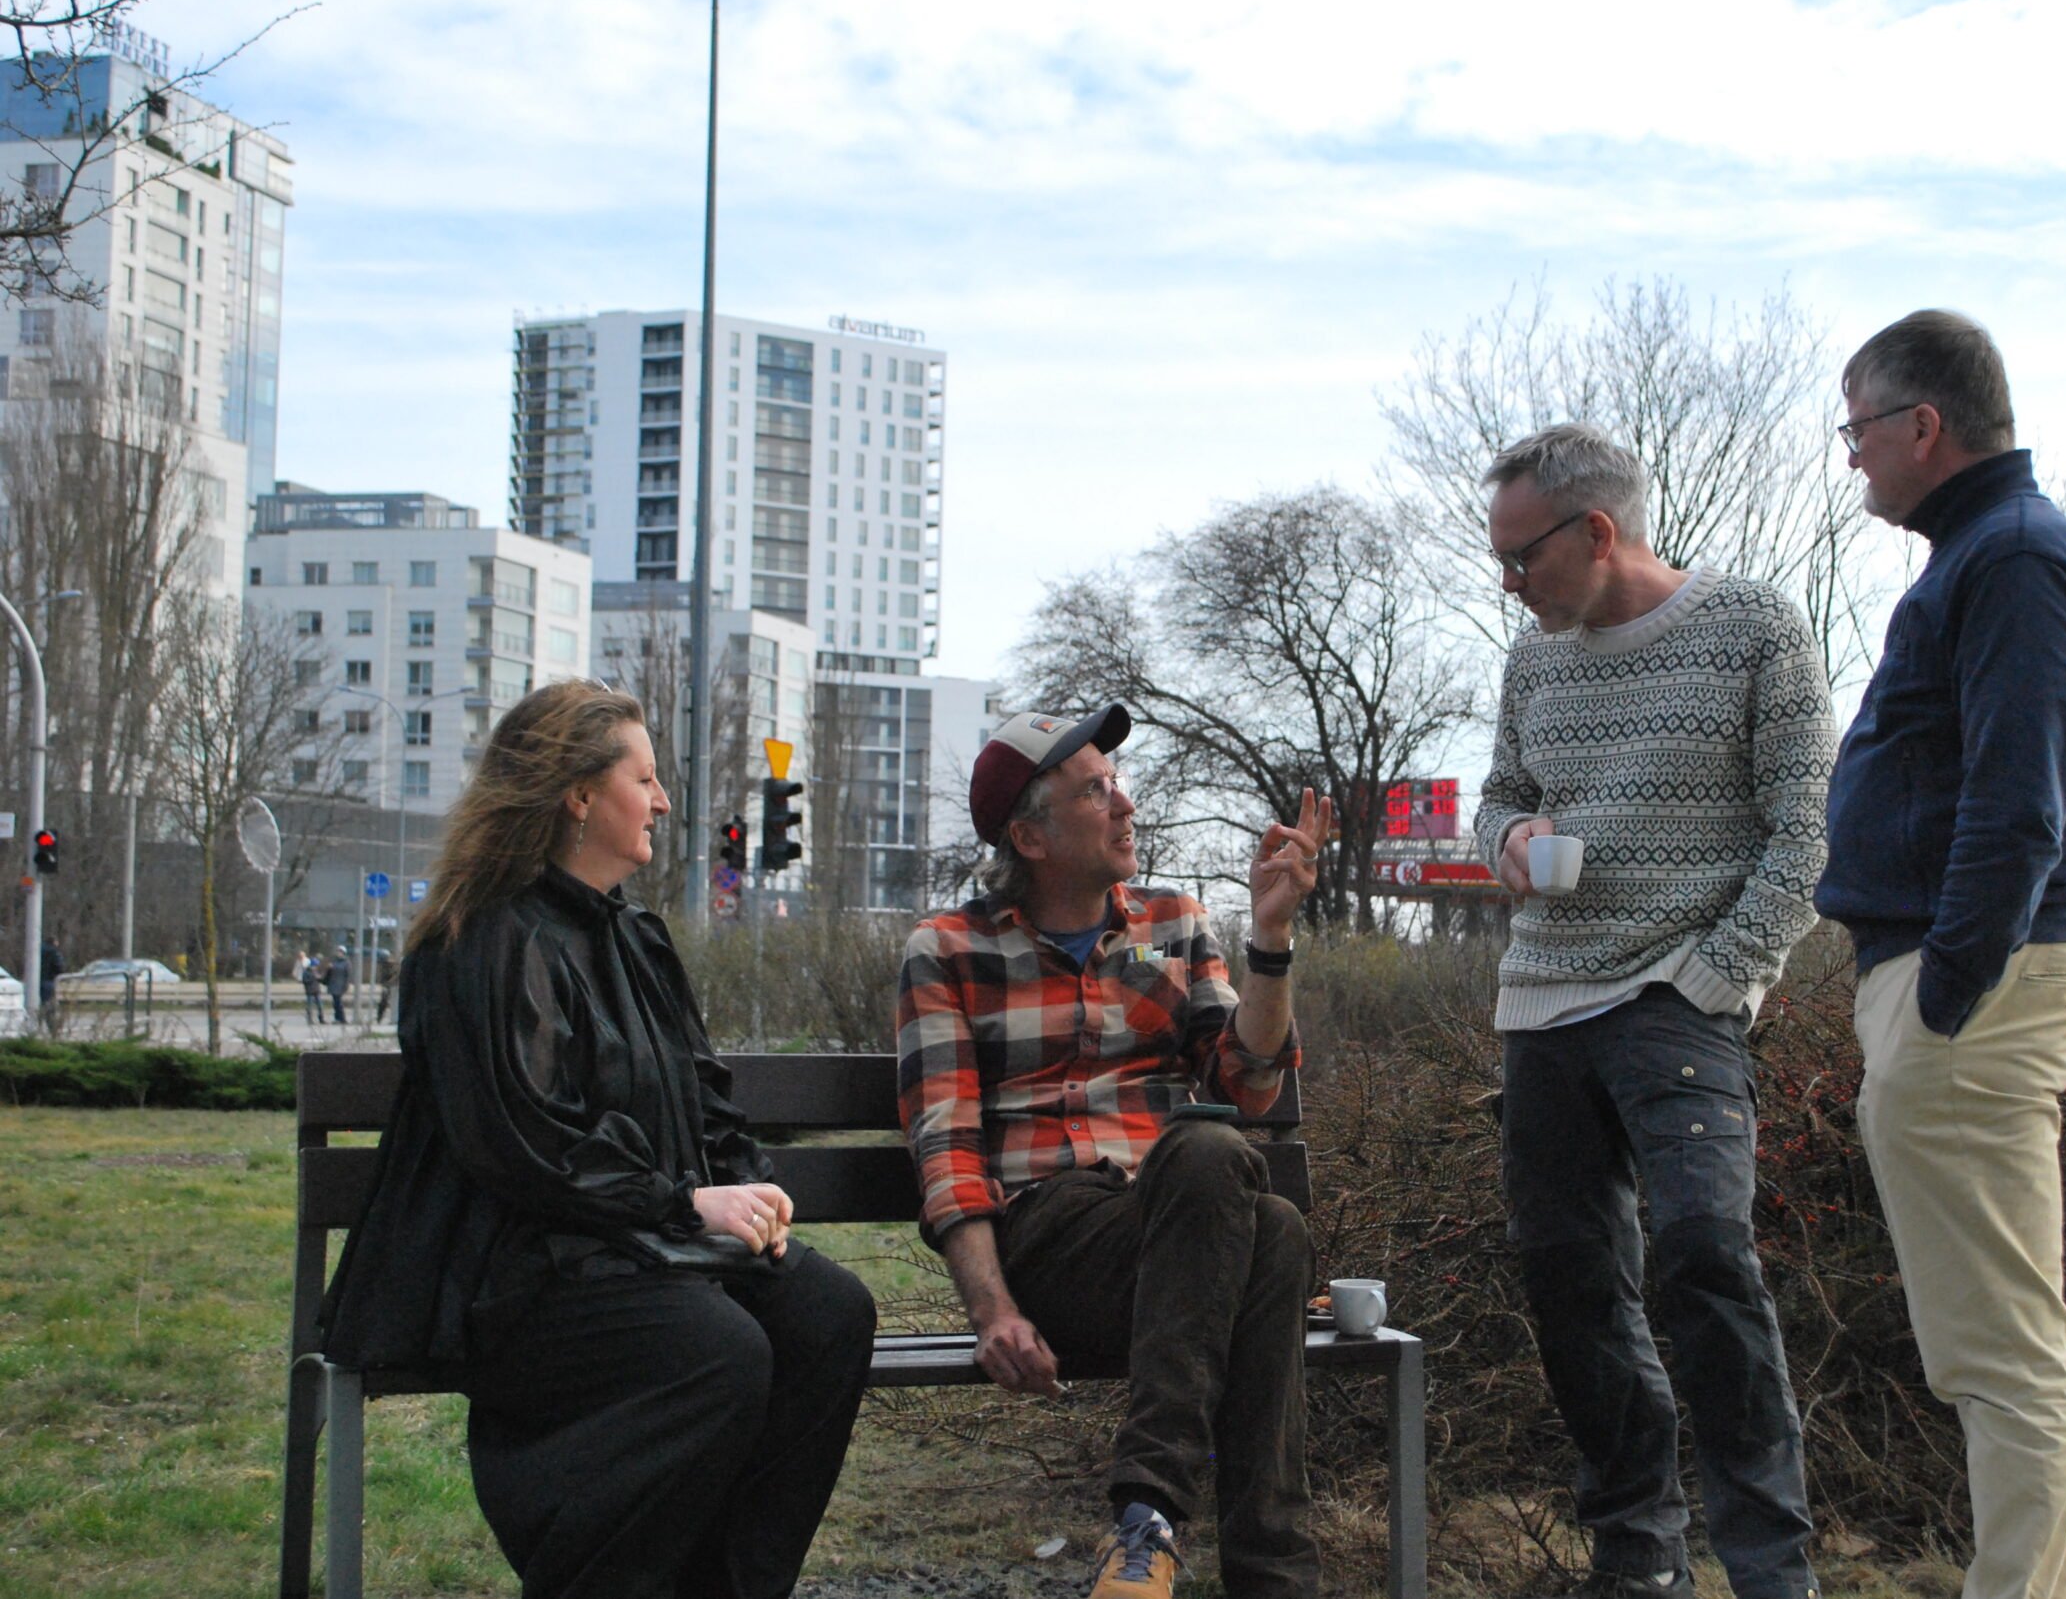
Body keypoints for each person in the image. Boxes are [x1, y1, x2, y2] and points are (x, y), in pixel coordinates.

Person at [319, 680, 875, 1599]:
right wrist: (685, 1203)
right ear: (579, 794)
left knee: (829, 1315)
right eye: (644, 779)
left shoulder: (634, 939)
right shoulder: (483, 941)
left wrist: (749, 1187)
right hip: (521, 1269)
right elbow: (526, 1143)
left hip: (637, 1244)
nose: (663, 801)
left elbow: (703, 1099)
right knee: (717, 1352)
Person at [1474, 424, 1836, 1599]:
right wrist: (1509, 837)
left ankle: (1772, 1572)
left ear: (1596, 531)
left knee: (1703, 1256)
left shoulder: (1755, 628)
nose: (1508, 582)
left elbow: (1807, 831)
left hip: (1677, 999)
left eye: (1521, 557)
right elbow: (1498, 795)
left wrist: (1716, 977)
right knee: (1569, 1281)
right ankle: (1639, 1560)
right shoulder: (1533, 662)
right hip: (1541, 1004)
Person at [1817, 311, 2066, 1599]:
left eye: (1856, 429)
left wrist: (1945, 991)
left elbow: (2018, 806)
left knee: (1998, 1349)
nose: (1851, 457)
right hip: (1968, 980)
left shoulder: (2013, 559)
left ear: (1922, 425)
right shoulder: (1990, 553)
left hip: (1977, 985)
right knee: (1990, 1342)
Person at [897, 705, 1332, 1599]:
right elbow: (947, 1145)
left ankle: (1168, 1539)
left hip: (1177, 1229)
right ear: (1031, 836)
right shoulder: (950, 950)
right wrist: (992, 1311)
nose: (1126, 804)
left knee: (1274, 1230)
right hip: (1049, 1236)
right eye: (1095, 791)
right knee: (1229, 1182)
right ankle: (1175, 1522)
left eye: (1117, 782)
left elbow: (1249, 1083)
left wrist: (1271, 938)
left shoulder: (1173, 924)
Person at [324, 946, 352, 1025]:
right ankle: (337, 1018)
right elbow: (329, 973)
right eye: (338, 951)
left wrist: (346, 985)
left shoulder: (346, 962)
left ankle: (342, 1018)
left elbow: (348, 975)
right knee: (335, 1002)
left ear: (343, 953)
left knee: (338, 1002)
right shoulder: (334, 961)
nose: (338, 953)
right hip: (333, 984)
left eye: (340, 952)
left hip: (340, 984)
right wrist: (329, 968)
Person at [297, 948, 324, 1025]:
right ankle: (310, 1019)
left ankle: (321, 1019)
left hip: (316, 991)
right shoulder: (306, 972)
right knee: (309, 1006)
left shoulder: (316, 971)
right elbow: (305, 981)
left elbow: (319, 979)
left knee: (320, 1006)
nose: (316, 967)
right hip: (310, 991)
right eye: (315, 965)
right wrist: (313, 977)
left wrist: (320, 977)